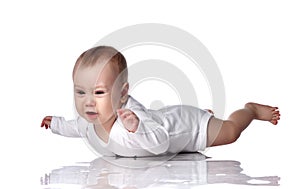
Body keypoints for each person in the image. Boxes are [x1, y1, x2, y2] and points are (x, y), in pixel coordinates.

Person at [41, 46, 280, 157]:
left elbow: (160, 143)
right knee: (171, 116)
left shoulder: (132, 117)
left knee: (229, 132)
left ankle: (249, 110)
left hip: (188, 128)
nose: (88, 103)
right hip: (169, 116)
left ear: (123, 94)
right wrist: (55, 124)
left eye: (99, 93)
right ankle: (200, 112)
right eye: (80, 92)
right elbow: (75, 126)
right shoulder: (89, 122)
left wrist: (137, 129)